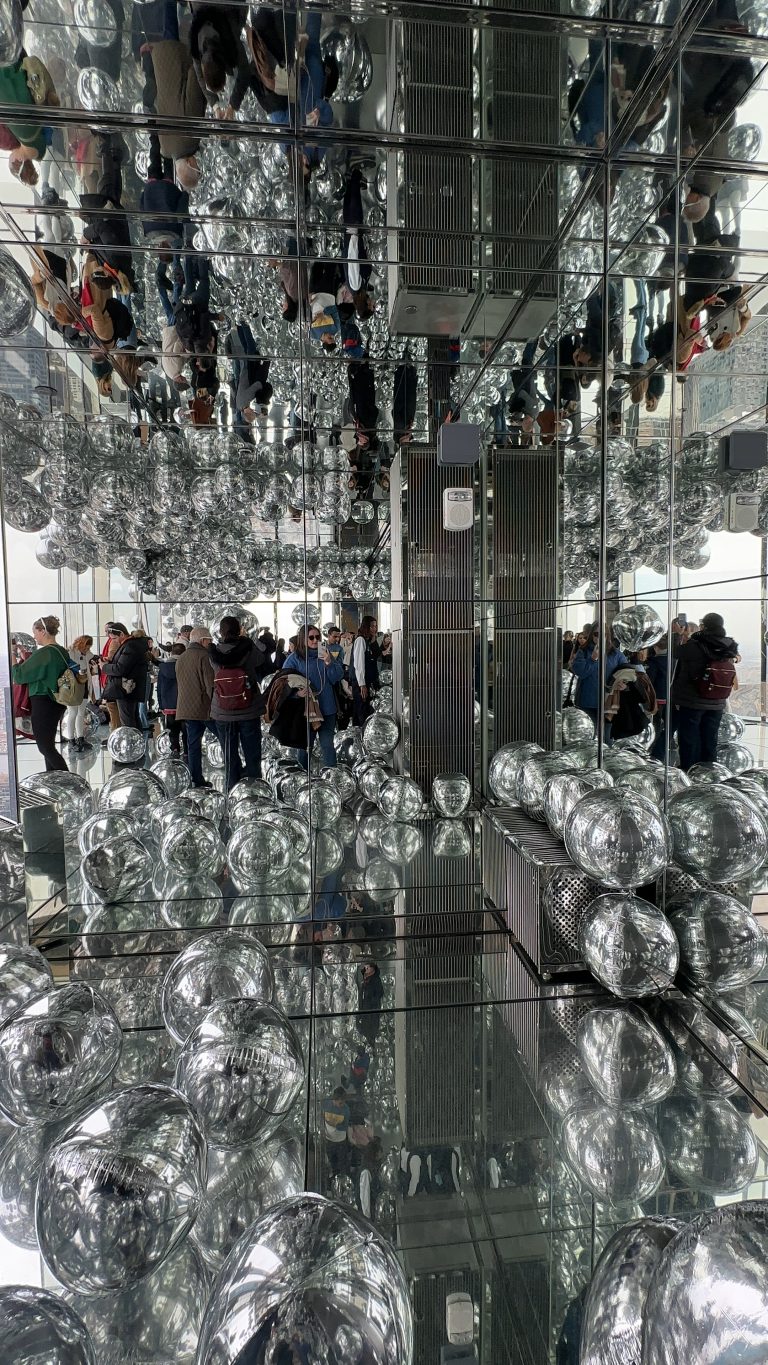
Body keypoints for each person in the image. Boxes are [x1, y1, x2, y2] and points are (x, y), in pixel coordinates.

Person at [208, 615, 269, 791]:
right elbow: (260, 660)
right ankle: (254, 790)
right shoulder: (248, 647)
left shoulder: (214, 652)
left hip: (223, 710)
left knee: (229, 755)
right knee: (252, 754)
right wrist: (247, 639)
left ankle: (232, 790)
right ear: (239, 630)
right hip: (248, 708)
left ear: (221, 632)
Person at [671, 612, 739, 770]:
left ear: (704, 626)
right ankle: (708, 771)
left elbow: (676, 652)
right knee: (710, 738)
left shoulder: (695, 645)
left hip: (693, 700)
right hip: (717, 700)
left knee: (689, 738)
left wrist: (678, 634)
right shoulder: (728, 646)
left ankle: (690, 770)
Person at [11, 615, 71, 771]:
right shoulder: (61, 651)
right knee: (48, 746)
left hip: (43, 702)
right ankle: (53, 778)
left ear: (43, 631)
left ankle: (68, 780)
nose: (34, 636)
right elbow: (44, 670)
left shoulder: (44, 653)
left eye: (35, 632)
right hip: (56, 702)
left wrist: (12, 656)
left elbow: (19, 676)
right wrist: (26, 657)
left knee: (45, 747)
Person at [282, 625, 344, 770]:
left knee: (328, 745)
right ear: (303, 639)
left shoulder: (325, 654)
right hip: (306, 709)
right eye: (311, 637)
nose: (315, 640)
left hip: (327, 708)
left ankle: (331, 775)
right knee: (305, 746)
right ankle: (303, 775)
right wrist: (297, 694)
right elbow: (283, 682)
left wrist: (329, 663)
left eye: (318, 637)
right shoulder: (295, 658)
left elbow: (336, 677)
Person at [175, 625, 217, 786]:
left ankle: (196, 778)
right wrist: (215, 706)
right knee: (224, 738)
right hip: (204, 708)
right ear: (202, 640)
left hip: (186, 708)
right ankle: (235, 772)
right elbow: (209, 684)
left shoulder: (182, 657)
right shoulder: (204, 656)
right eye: (209, 640)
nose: (210, 644)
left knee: (193, 745)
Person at [569, 623, 629, 726]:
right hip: (587, 702)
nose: (599, 637)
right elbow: (581, 673)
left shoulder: (616, 654)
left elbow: (627, 673)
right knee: (589, 733)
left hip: (609, 702)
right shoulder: (583, 651)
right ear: (592, 635)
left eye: (603, 634)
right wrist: (593, 659)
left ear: (607, 636)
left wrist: (625, 684)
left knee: (607, 734)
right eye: (596, 634)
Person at [102, 627, 149, 731]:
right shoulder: (135, 644)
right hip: (131, 687)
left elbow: (121, 669)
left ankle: (130, 740)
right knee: (133, 718)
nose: (114, 642)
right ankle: (137, 740)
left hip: (126, 688)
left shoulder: (130, 646)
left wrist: (104, 667)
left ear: (122, 634)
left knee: (128, 721)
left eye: (114, 638)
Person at [62, 634, 95, 753]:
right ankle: (71, 740)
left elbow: (90, 663)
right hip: (72, 686)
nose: (87, 649)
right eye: (86, 647)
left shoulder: (87, 654)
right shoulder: (69, 653)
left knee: (81, 713)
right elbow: (67, 668)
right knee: (73, 713)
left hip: (84, 684)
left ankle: (80, 738)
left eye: (88, 647)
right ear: (81, 644)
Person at [157, 642, 186, 756]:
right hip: (184, 704)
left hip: (168, 705)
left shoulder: (163, 668)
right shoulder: (186, 666)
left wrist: (161, 705)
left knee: (172, 729)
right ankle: (187, 751)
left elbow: (159, 688)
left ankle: (175, 749)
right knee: (185, 729)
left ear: (172, 653)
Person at [351, 616, 379, 727]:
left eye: (375, 626)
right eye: (372, 626)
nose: (374, 629)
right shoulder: (360, 640)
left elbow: (377, 655)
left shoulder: (368, 641)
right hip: (361, 683)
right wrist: (362, 684)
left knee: (366, 711)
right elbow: (359, 664)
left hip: (367, 681)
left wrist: (374, 640)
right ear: (366, 627)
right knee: (362, 713)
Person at [322, 1085, 351, 1176]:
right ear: (334, 1100)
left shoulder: (346, 1110)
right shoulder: (326, 1104)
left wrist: (335, 1125)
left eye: (343, 1102)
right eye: (340, 1103)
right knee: (330, 1163)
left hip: (340, 1141)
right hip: (328, 1139)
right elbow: (320, 1115)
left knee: (342, 1164)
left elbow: (345, 1126)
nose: (342, 1105)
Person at [357, 962, 384, 1047]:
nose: (365, 970)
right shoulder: (364, 981)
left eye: (367, 968)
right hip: (363, 1011)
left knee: (370, 1032)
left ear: (373, 969)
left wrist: (371, 1000)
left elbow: (379, 994)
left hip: (371, 1012)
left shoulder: (376, 980)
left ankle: (371, 1044)